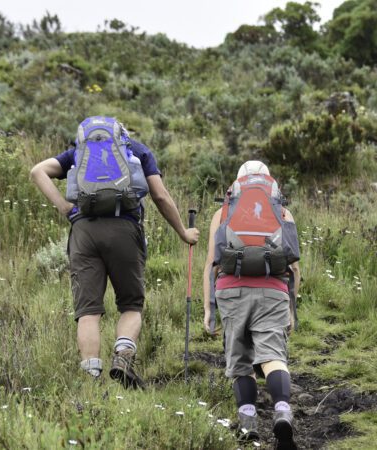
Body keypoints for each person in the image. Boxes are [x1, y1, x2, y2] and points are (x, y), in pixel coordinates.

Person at [31, 117, 199, 389]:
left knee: (88, 311)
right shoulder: (138, 150)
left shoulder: (77, 152)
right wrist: (183, 232)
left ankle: (91, 381)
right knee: (131, 305)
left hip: (84, 231)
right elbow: (160, 196)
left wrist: (66, 208)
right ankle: (122, 358)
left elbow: (37, 171)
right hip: (124, 229)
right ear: (122, 134)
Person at [203, 161, 300, 449]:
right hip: (273, 290)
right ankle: (282, 409)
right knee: (273, 356)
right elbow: (294, 267)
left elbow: (211, 264)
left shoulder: (222, 213)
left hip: (231, 291)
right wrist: (292, 309)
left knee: (241, 361)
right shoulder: (282, 211)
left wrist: (209, 308)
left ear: (237, 185)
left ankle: (248, 423)